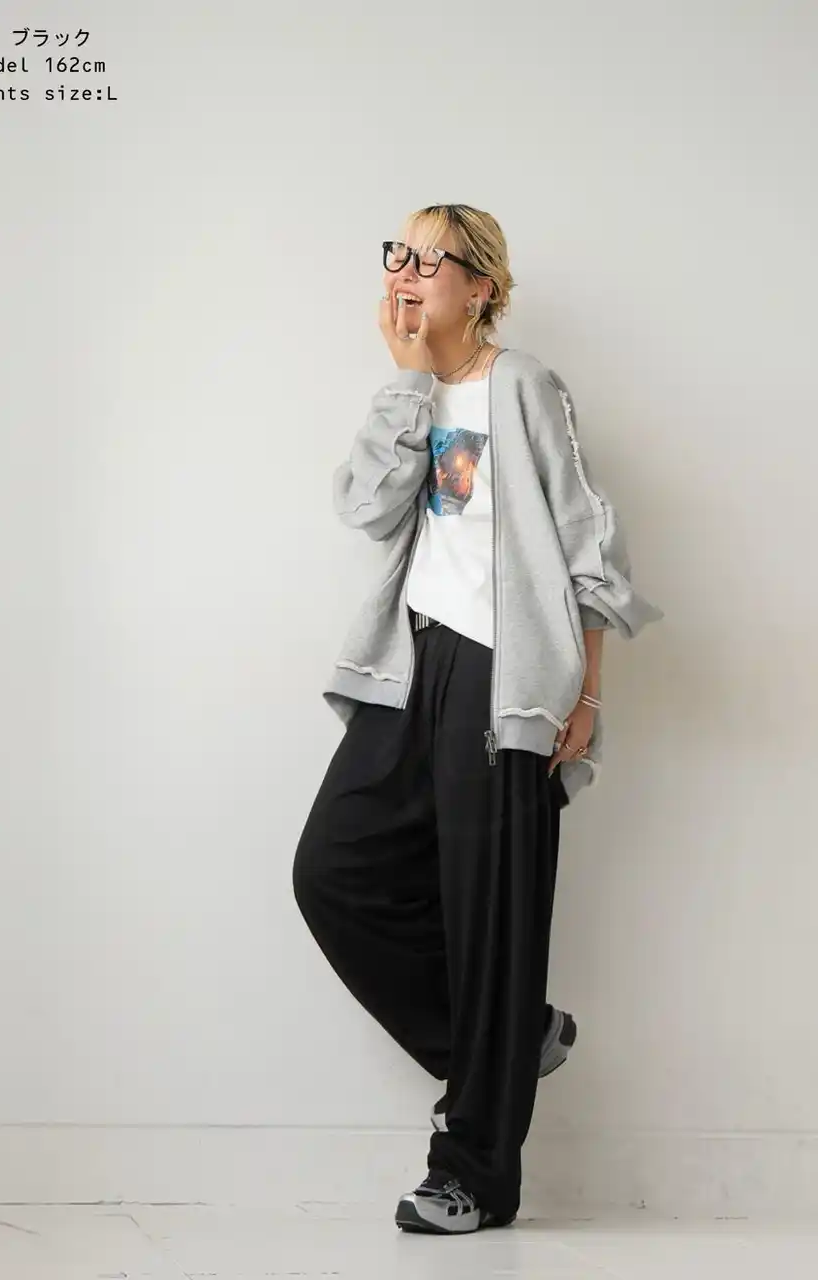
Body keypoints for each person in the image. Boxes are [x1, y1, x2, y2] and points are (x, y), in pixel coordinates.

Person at [292, 204, 664, 1235]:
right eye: (398, 254)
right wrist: (408, 379)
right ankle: (510, 1037)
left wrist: (586, 692)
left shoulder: (523, 384)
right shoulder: (412, 394)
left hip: (508, 674)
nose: (405, 271)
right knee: (332, 871)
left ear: (482, 285)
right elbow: (367, 508)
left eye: (429, 257)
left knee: (489, 915)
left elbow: (588, 540)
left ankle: (473, 1176)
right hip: (412, 666)